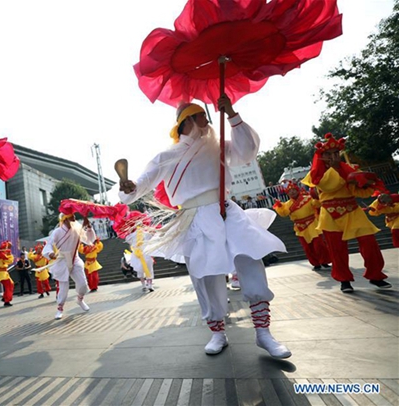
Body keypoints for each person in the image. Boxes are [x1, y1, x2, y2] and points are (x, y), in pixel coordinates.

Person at [119, 95, 291, 359]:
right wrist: (129, 188)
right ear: (187, 121)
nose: (207, 121)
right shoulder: (165, 156)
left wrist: (232, 114)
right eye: (201, 116)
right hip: (193, 217)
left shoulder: (219, 145)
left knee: (249, 260)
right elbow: (140, 185)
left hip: (226, 210)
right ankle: (217, 333)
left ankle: (263, 332)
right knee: (205, 275)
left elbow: (247, 152)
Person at [301, 133, 391, 293]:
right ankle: (344, 280)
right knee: (337, 249)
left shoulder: (351, 168)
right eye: (328, 154)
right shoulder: (316, 174)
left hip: (352, 209)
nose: (333, 156)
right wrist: (339, 170)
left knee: (369, 242)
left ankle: (375, 275)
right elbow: (328, 186)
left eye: (336, 153)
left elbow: (360, 193)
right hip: (330, 213)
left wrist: (369, 187)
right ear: (321, 156)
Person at [42, 214, 94, 320]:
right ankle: (60, 308)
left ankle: (80, 299)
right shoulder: (57, 231)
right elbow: (49, 244)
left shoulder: (77, 229)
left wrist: (89, 228)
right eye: (72, 217)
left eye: (74, 217)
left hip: (75, 259)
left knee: (83, 284)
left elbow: (89, 240)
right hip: (62, 261)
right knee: (63, 288)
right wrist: (50, 253)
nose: (74, 219)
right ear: (65, 219)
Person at [273, 181, 331, 270]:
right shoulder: (287, 204)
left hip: (312, 224)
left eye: (293, 190)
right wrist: (279, 205)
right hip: (300, 227)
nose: (292, 192)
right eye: (289, 191)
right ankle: (316, 263)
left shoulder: (307, 198)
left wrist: (316, 196)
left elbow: (317, 204)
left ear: (297, 190)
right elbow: (284, 213)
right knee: (307, 247)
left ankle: (324, 261)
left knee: (319, 244)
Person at [115, 211, 155, 292]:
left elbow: (151, 237)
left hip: (144, 253)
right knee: (144, 269)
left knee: (145, 269)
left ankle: (147, 285)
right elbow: (151, 236)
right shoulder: (140, 233)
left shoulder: (143, 233)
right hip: (140, 253)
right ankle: (146, 285)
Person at [0, 241, 15, 307]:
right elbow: (10, 261)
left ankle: (5, 298)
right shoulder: (2, 256)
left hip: (3, 274)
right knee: (9, 286)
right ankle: (7, 300)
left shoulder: (1, 255)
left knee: (9, 285)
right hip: (3, 274)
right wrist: (10, 254)